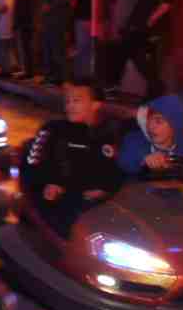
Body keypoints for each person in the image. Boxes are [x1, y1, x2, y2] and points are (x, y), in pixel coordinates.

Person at [21, 81, 127, 235]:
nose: (70, 106)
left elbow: (119, 171)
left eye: (76, 101)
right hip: (60, 205)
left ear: (95, 105)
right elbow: (31, 165)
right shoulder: (53, 130)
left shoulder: (112, 133)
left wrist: (107, 191)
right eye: (68, 101)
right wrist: (50, 183)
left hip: (102, 207)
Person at [128, 0, 179, 98]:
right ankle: (154, 88)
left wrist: (151, 19)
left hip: (157, 25)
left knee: (151, 58)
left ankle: (156, 90)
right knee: (138, 54)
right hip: (145, 24)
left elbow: (168, 1)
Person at [117, 94, 183, 181]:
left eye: (158, 121)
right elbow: (124, 162)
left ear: (175, 125)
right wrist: (143, 161)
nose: (150, 127)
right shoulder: (134, 141)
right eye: (148, 120)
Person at [37, 0, 74, 85]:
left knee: (57, 52)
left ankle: (61, 78)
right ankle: (50, 76)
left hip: (56, 25)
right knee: (48, 51)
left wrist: (47, 8)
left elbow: (60, 7)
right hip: (49, 25)